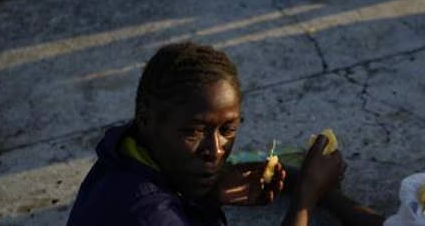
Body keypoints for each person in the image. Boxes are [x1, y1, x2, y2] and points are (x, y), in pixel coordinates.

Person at [67, 41, 347, 225]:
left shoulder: (124, 154)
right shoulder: (151, 215)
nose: (215, 151)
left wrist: (203, 197)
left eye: (228, 130)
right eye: (193, 132)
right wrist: (305, 199)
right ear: (146, 120)